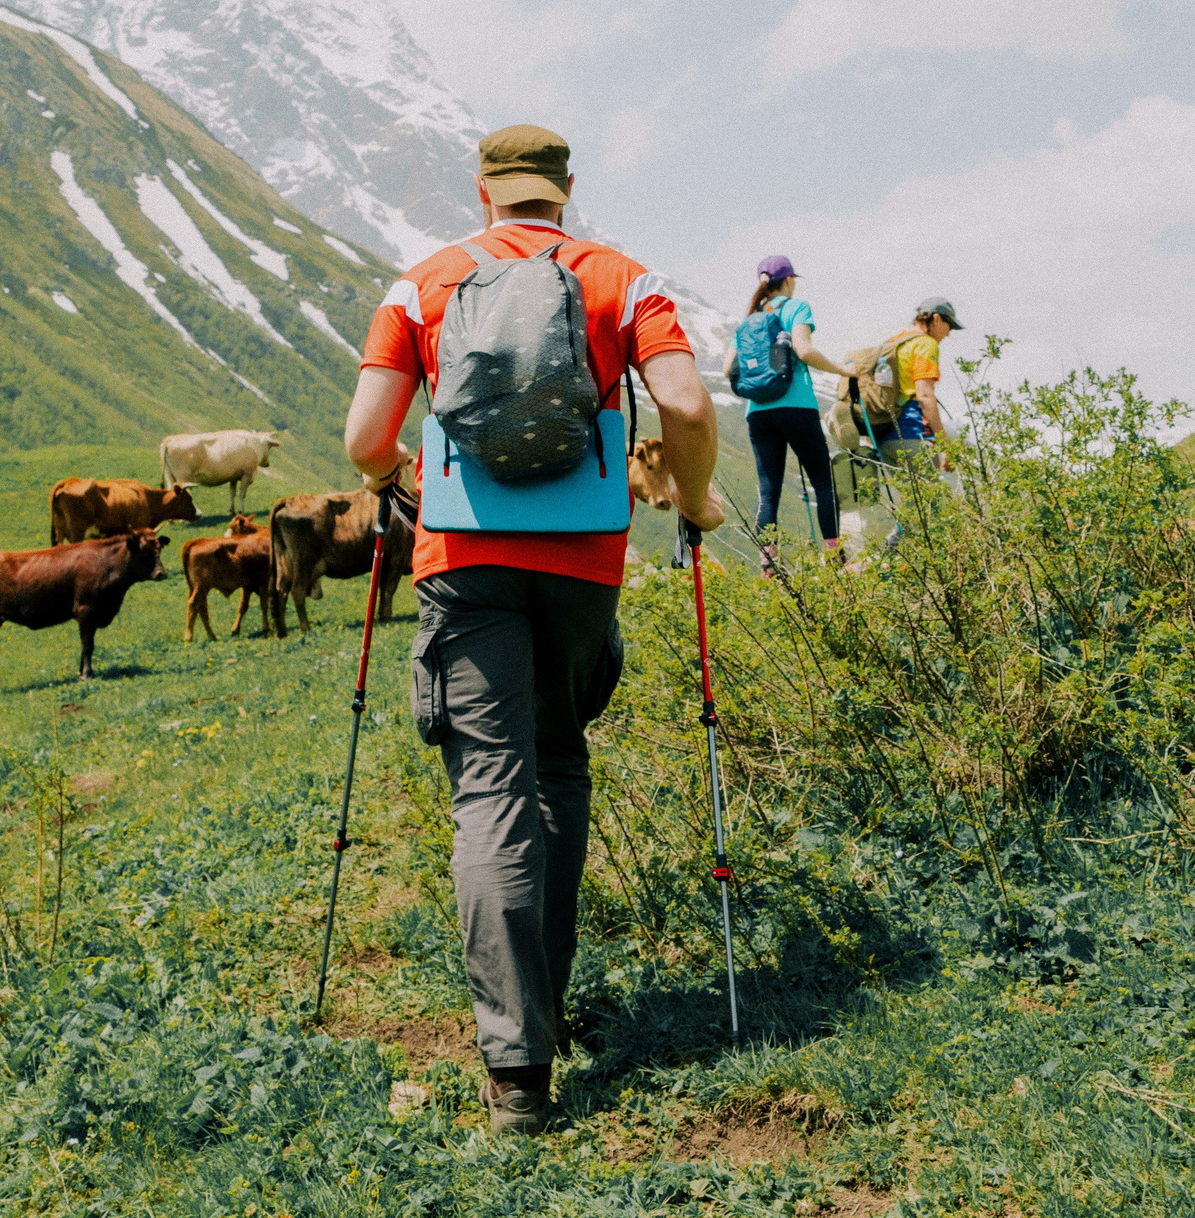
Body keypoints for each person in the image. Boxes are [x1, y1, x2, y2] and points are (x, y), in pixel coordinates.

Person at [343, 123, 725, 1138]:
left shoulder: (418, 285)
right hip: (583, 562)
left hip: (465, 565)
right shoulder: (621, 278)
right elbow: (683, 402)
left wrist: (390, 482)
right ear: (564, 191)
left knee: (489, 789)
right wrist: (697, 500)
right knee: (557, 764)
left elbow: (365, 437)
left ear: (483, 193)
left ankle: (516, 1067)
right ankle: (540, 1008)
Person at [722, 254, 843, 566]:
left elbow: (726, 369)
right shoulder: (796, 308)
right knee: (823, 481)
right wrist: (843, 371)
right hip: (797, 406)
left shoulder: (749, 319)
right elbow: (804, 350)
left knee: (768, 489)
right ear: (789, 280)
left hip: (758, 412)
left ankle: (768, 562)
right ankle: (833, 557)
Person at [879, 297, 961, 458]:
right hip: (911, 432)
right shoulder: (926, 343)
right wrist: (945, 446)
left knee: (902, 484)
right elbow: (924, 396)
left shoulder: (894, 341)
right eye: (949, 325)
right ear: (937, 319)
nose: (949, 333)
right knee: (929, 483)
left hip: (883, 435)